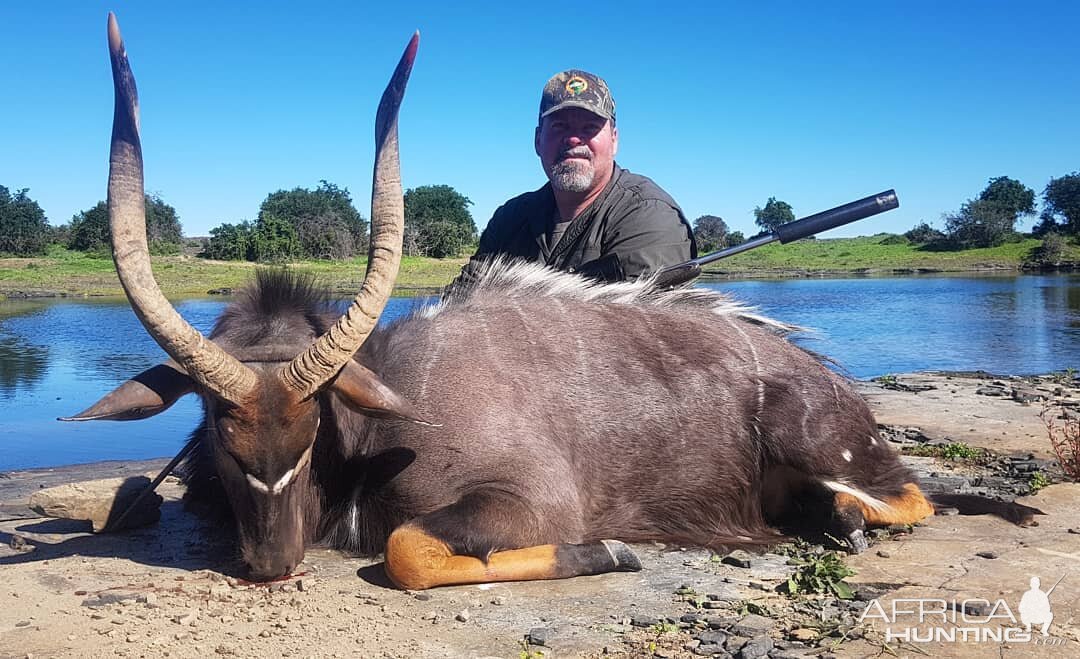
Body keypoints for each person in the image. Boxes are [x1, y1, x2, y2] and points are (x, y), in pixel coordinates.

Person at [449, 69, 696, 292]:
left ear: (614, 140)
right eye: (559, 126)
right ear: (537, 140)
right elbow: (459, 303)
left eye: (590, 127)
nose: (574, 139)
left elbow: (641, 333)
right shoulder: (510, 219)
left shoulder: (648, 216)